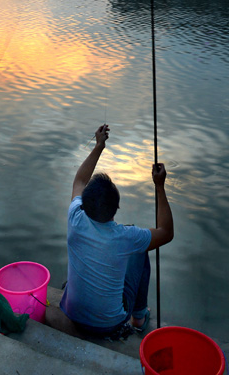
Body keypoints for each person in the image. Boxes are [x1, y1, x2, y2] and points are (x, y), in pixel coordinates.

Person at [59, 123, 173, 338]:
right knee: (140, 251)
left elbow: (80, 180)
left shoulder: (75, 217)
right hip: (108, 324)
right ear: (116, 209)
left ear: (84, 202)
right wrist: (159, 185)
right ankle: (138, 317)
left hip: (72, 313)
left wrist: (99, 146)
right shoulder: (126, 237)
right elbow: (166, 232)